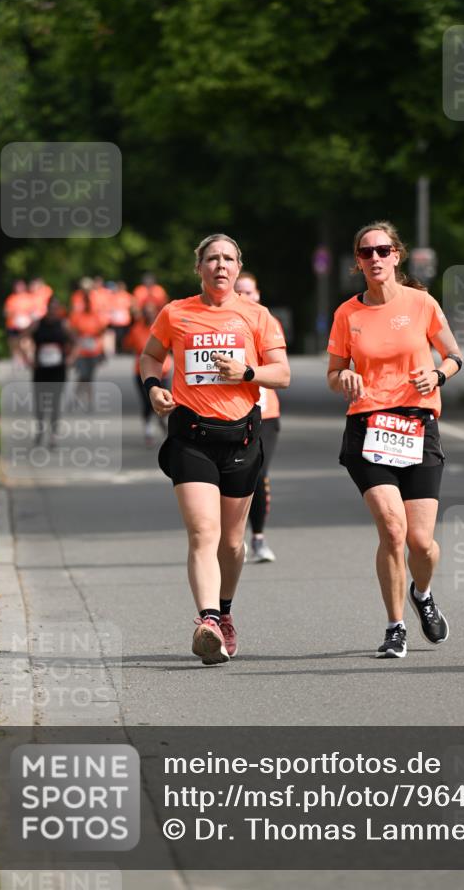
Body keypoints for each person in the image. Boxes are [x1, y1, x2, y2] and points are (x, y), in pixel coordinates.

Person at [139, 235, 289, 665]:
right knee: (203, 532)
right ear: (199, 267)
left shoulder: (257, 317)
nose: (220, 265)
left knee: (233, 543)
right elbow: (151, 357)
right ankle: (206, 622)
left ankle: (224, 613)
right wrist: (153, 389)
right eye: (212, 259)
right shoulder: (177, 313)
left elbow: (282, 374)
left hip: (240, 438)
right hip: (191, 438)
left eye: (228, 258)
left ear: (238, 267)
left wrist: (247, 371)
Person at [327, 221, 463, 659]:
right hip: (369, 427)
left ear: (396, 255)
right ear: (357, 262)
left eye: (382, 250)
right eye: (366, 253)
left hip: (418, 427)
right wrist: (344, 375)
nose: (375, 259)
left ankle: (421, 594)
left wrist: (438, 374)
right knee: (392, 528)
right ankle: (394, 626)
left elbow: (455, 355)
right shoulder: (348, 314)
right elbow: (333, 373)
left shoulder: (421, 304)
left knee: (421, 542)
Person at [235, 271, 282, 563]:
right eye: (239, 293)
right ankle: (230, 538)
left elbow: (279, 368)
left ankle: (258, 538)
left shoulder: (267, 322)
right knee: (234, 476)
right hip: (232, 412)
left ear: (259, 295)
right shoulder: (220, 322)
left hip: (266, 412)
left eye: (250, 292)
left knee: (259, 473)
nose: (245, 298)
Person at [28, 295, 74, 446]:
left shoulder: (64, 324)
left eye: (56, 308)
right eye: (51, 308)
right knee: (40, 401)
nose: (53, 311)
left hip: (58, 369)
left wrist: (70, 358)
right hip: (40, 369)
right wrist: (28, 359)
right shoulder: (37, 324)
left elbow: (77, 342)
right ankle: (40, 430)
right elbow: (19, 339)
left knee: (55, 401)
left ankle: (53, 435)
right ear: (47, 308)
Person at [124, 303, 173, 444]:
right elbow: (127, 345)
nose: (149, 315)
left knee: (166, 400)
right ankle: (148, 428)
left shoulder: (163, 326)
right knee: (146, 401)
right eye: (146, 312)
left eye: (151, 312)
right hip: (142, 372)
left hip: (164, 371)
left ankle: (163, 421)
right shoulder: (136, 329)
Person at [68, 290, 107, 408]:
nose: (88, 305)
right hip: (81, 351)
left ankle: (87, 401)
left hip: (94, 350)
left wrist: (101, 348)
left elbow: (102, 330)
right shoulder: (77, 316)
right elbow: (72, 331)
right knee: (83, 375)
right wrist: (78, 339)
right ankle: (78, 398)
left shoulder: (96, 316)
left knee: (89, 377)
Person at [4, 280, 34, 369]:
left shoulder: (29, 298)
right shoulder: (11, 299)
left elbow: (33, 311)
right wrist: (12, 314)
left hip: (26, 325)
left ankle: (28, 358)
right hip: (13, 325)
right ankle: (18, 360)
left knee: (26, 342)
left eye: (20, 286)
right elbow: (6, 312)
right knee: (14, 343)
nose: (18, 288)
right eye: (17, 286)